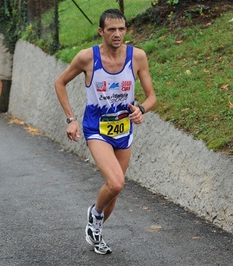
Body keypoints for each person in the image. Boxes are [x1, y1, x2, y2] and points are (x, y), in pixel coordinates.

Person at [55, 9, 157, 255]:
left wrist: (141, 109)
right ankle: (95, 214)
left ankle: (96, 230)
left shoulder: (138, 57)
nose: (117, 34)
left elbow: (152, 97)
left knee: (115, 191)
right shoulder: (87, 58)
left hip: (124, 130)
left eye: (121, 29)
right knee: (116, 182)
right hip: (96, 129)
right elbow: (60, 83)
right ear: (101, 31)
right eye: (111, 29)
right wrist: (71, 118)